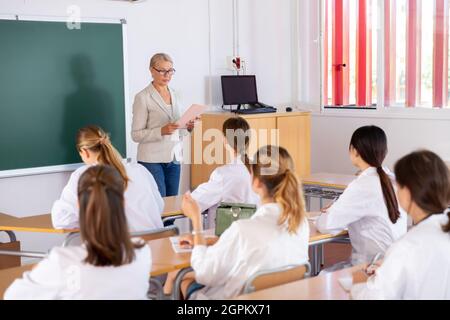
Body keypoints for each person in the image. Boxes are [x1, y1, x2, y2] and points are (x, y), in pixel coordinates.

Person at [165, 145, 310, 299]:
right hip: (280, 296)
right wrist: (219, 241)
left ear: (256, 182)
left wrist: (196, 221)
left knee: (180, 276)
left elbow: (204, 272)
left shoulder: (242, 230)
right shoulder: (300, 223)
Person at [5, 166, 152, 299]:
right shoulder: (142, 252)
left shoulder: (62, 262)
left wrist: (39, 272)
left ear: (78, 206)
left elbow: (12, 296)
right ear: (123, 203)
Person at [351, 150, 450, 299]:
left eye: (398, 186)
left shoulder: (408, 246)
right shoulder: (440, 229)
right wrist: (389, 265)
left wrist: (359, 283)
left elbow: (374, 297)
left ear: (408, 192)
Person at [316, 126, 407, 266]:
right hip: (397, 263)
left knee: (323, 280)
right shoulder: (394, 179)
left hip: (372, 267)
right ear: (385, 152)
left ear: (354, 151)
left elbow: (325, 225)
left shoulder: (362, 185)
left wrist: (330, 209)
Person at [51, 125, 164, 232]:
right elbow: (159, 206)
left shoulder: (84, 176)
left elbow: (61, 221)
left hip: (119, 248)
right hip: (155, 245)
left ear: (84, 152)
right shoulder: (139, 170)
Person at [131, 53, 195, 197]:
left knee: (172, 204)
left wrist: (188, 127)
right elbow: (136, 134)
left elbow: (179, 129)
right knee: (159, 206)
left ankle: (170, 222)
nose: (167, 75)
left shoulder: (176, 94)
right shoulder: (143, 97)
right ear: (152, 70)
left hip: (174, 158)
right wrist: (161, 130)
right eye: (162, 71)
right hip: (151, 160)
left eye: (170, 70)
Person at [191, 117, 260, 227]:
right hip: (253, 234)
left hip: (225, 237)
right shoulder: (260, 168)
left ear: (225, 140)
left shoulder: (222, 175)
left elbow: (194, 202)